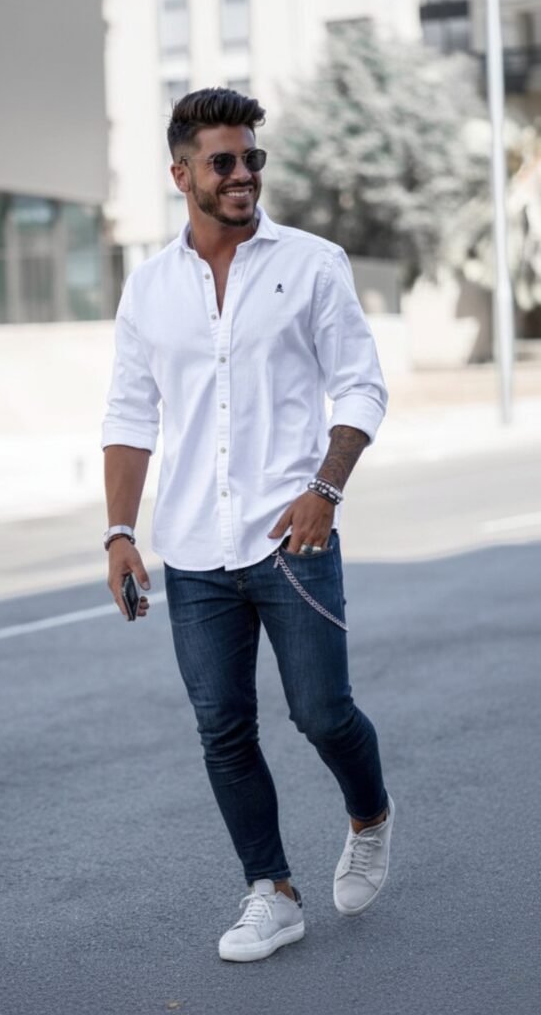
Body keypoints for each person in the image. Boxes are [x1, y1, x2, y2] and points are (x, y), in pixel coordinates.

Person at [101, 87, 394, 963]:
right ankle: (270, 890)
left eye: (251, 158)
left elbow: (363, 386)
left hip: (290, 539)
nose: (242, 175)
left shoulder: (310, 263)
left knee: (321, 712)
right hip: (192, 550)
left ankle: (369, 815)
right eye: (223, 161)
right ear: (180, 172)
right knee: (222, 728)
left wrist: (326, 488)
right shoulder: (149, 288)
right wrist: (120, 532)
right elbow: (128, 414)